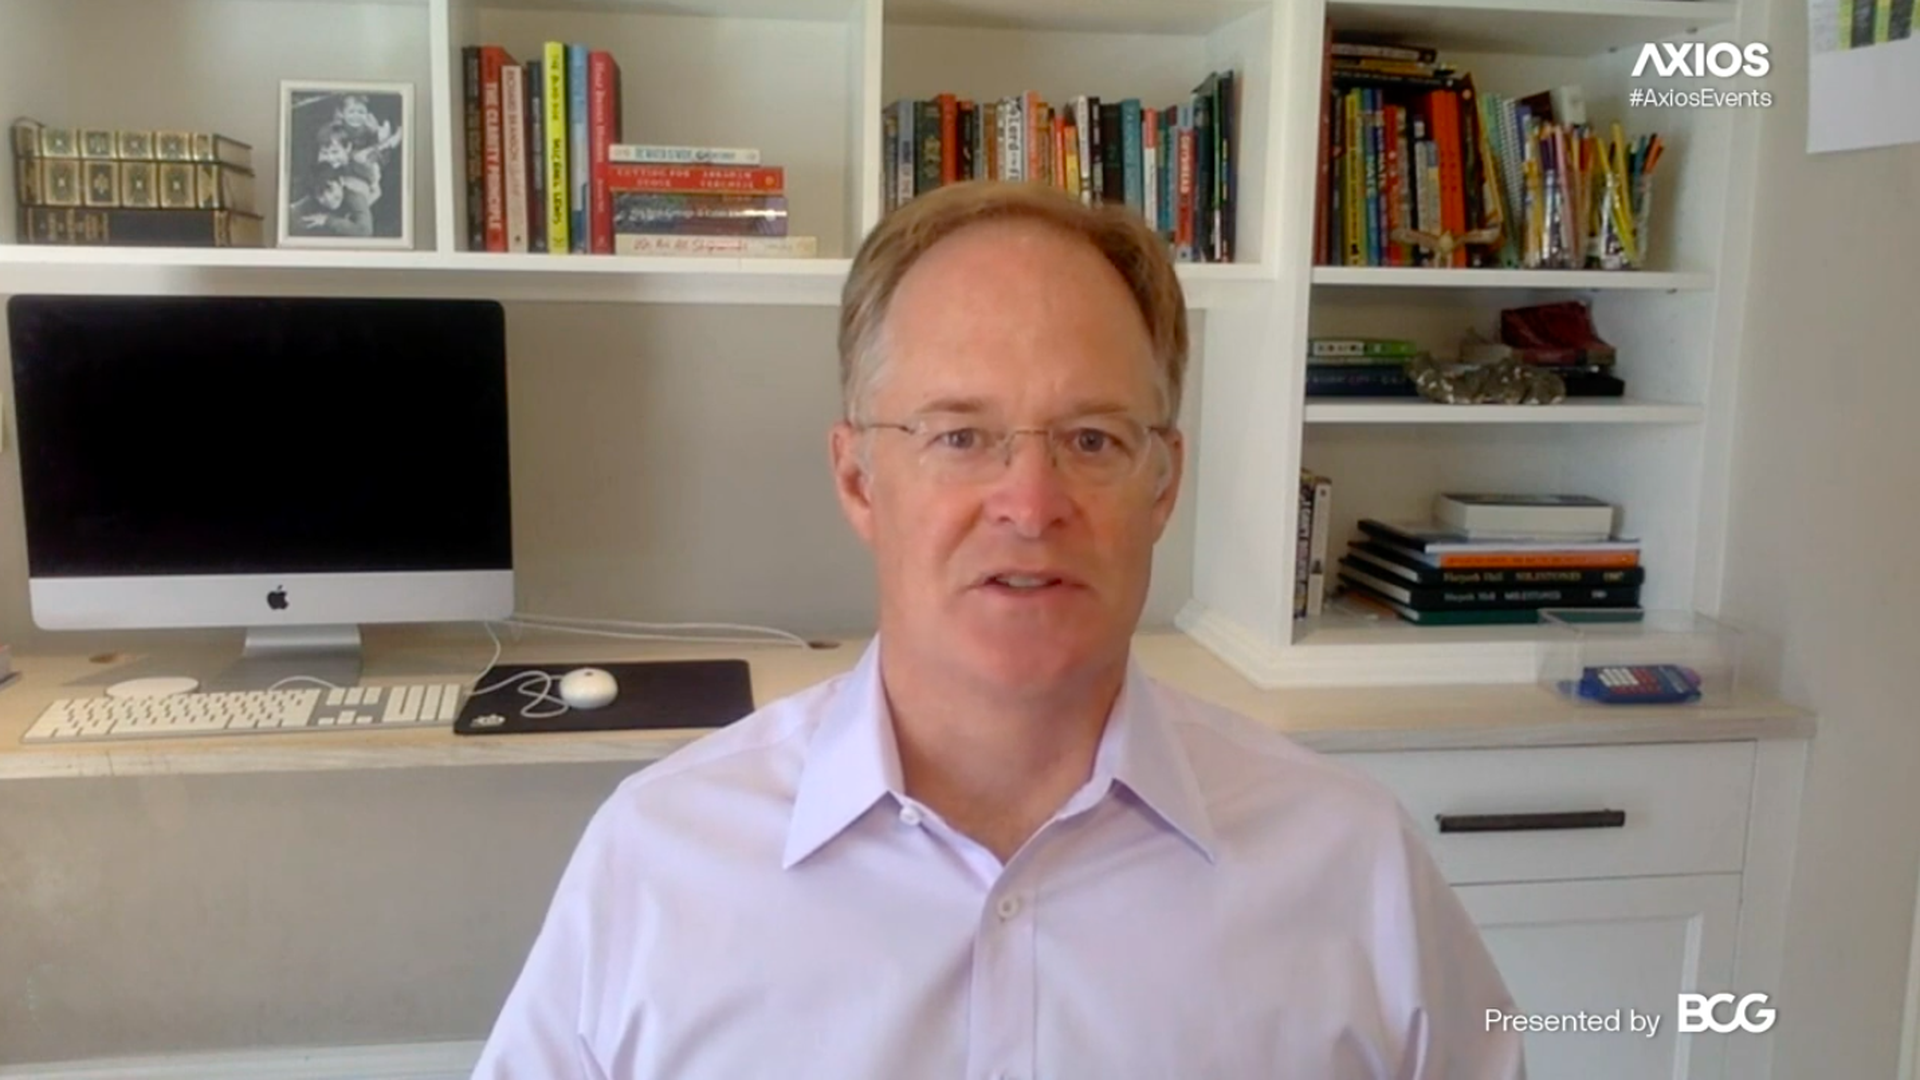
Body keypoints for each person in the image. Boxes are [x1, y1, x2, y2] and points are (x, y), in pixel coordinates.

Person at [471, 181, 1526, 1079]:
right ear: (857, 477)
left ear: (1163, 483)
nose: (1029, 500)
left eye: (1092, 438)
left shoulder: (1353, 867)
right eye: (960, 434)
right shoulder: (656, 862)